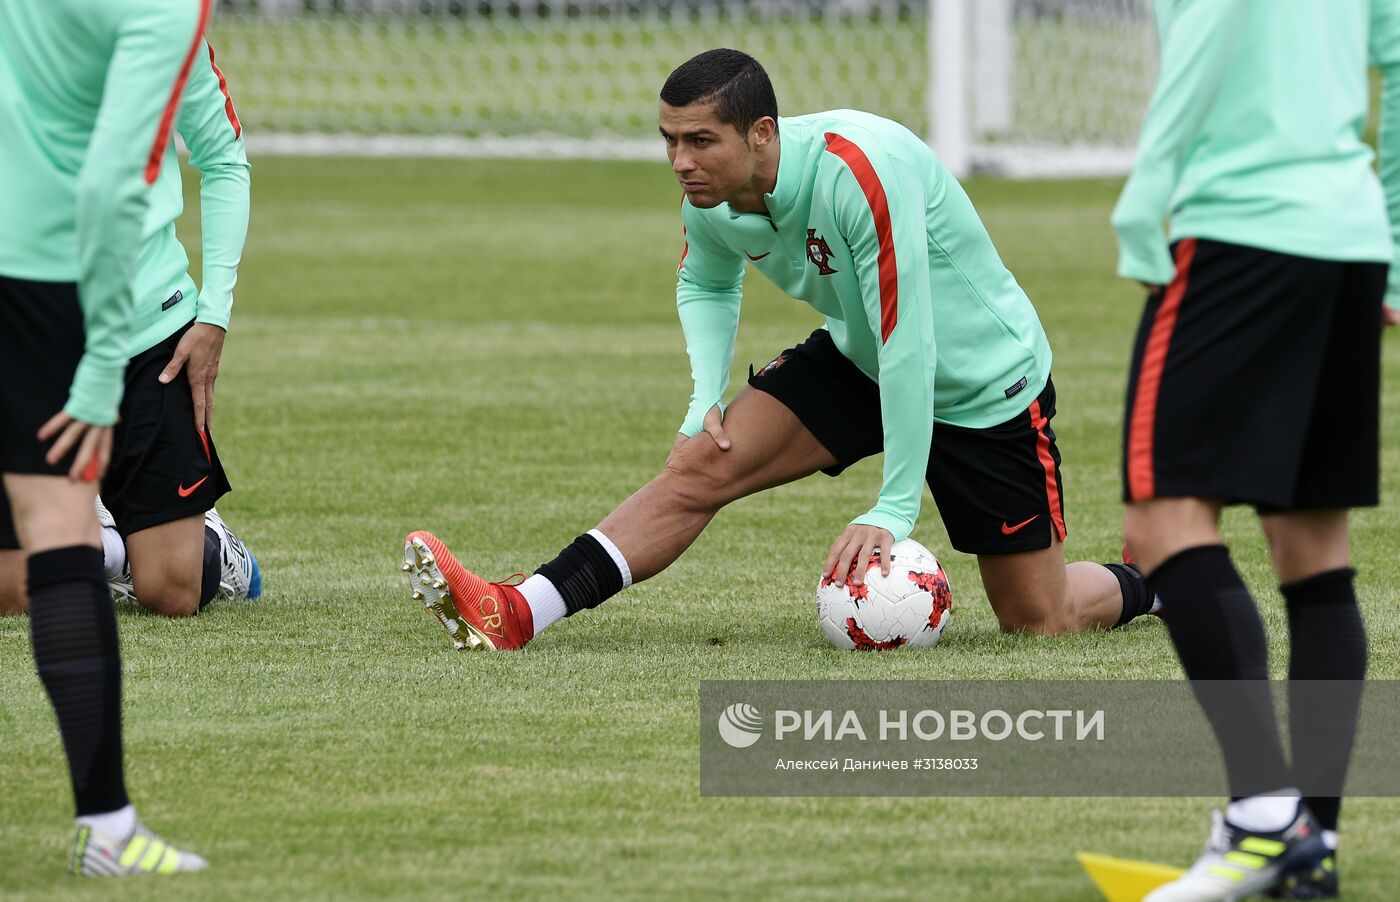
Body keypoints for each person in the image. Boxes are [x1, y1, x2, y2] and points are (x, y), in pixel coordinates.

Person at [403, 48, 1157, 652]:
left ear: (761, 133)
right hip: (861, 358)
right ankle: (520, 610)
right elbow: (705, 283)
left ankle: (1152, 580)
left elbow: (911, 342)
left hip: (984, 385)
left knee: (1038, 620)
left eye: (701, 140)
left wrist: (894, 508)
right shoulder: (711, 196)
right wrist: (706, 396)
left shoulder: (862, 172)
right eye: (669, 141)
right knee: (703, 462)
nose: (681, 161)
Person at [1110, 0, 1399, 899]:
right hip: (1347, 237)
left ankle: (1266, 819)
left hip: (1239, 230)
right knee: (1314, 550)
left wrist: (1147, 189)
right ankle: (1311, 842)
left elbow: (1211, 24)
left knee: (1161, 523)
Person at [0, 0, 216, 874]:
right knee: (58, 537)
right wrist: (94, 375)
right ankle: (108, 831)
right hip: (42, 277)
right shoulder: (169, 8)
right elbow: (105, 184)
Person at [0, 30, 258, 619]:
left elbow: (223, 157)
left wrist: (213, 315)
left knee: (171, 592)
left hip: (148, 329)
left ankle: (208, 543)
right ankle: (99, 534)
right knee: (10, 596)